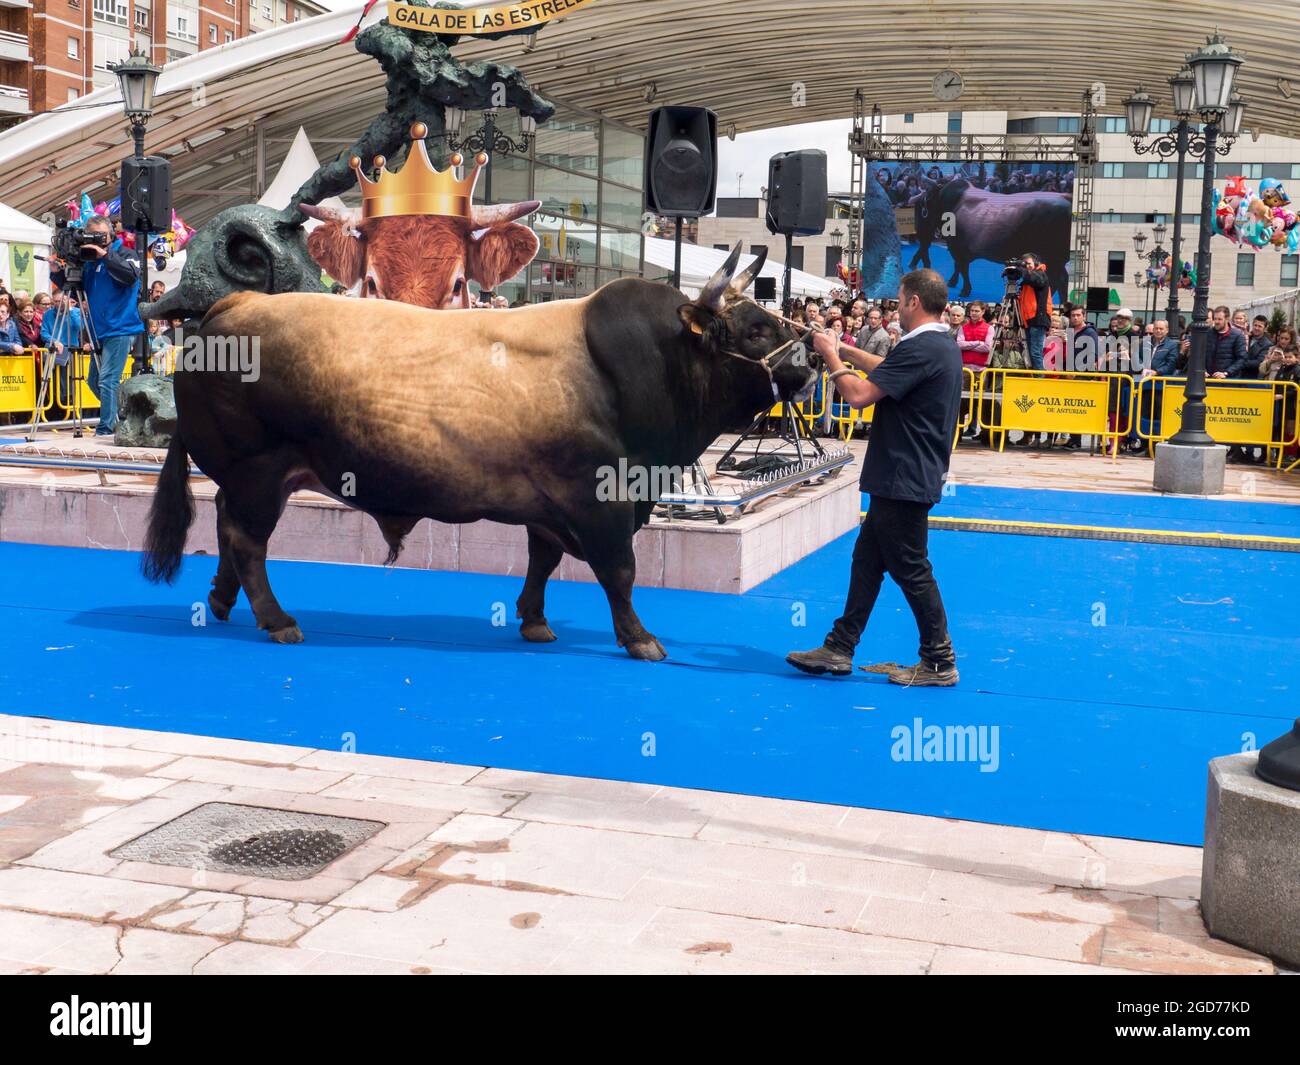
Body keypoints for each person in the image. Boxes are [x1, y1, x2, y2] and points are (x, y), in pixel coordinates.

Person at [786, 268, 963, 687]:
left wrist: (829, 355)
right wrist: (842, 347)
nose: (897, 307)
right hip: (905, 474)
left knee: (912, 569)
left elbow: (860, 396)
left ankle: (939, 661)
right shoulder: (938, 345)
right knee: (868, 562)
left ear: (914, 302)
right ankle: (840, 647)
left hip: (903, 475)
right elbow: (887, 367)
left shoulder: (921, 348)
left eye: (900, 300)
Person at [78, 215, 145, 437]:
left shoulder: (126, 253)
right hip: (99, 330)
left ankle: (107, 428)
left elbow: (129, 277)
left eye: (102, 235)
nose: (98, 239)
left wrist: (106, 256)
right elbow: (75, 285)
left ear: (111, 233)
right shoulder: (90, 261)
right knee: (94, 381)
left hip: (121, 327)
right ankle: (124, 415)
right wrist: (58, 270)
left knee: (108, 379)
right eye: (94, 235)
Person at [1012, 252, 1052, 370]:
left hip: (1037, 320)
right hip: (1028, 321)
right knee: (1029, 353)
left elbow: (1034, 279)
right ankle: (1033, 378)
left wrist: (1021, 268)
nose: (1026, 266)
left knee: (1035, 353)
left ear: (1036, 263)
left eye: (1028, 264)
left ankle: (1039, 381)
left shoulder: (1041, 274)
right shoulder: (1027, 281)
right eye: (1024, 264)